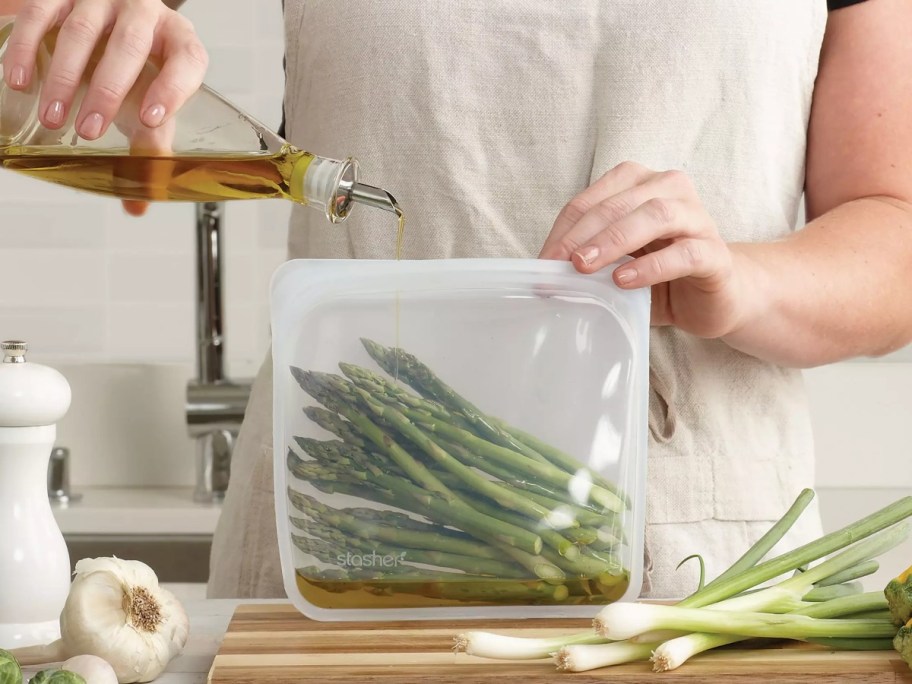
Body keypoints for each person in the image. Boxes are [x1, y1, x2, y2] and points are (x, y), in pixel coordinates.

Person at [3, 0, 911, 599]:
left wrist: (744, 281)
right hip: (340, 535)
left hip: (704, 569)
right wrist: (57, 32)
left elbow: (895, 233)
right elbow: (33, 47)